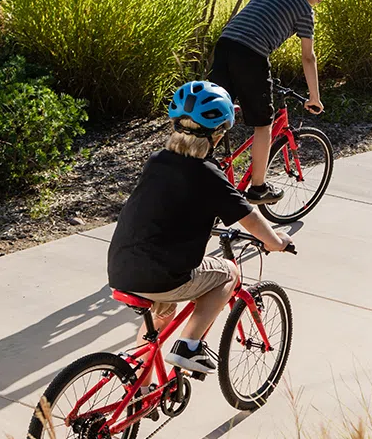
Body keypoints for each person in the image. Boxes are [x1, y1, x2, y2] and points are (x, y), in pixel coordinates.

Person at [107, 81, 293, 374]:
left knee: (162, 311)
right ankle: (189, 347)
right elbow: (250, 218)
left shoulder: (157, 161)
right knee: (228, 273)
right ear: (218, 134)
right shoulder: (209, 175)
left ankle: (136, 385)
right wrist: (275, 241)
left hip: (121, 268)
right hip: (163, 276)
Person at [210, 0, 341, 205]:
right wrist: (314, 96)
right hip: (251, 53)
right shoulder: (304, 9)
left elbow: (251, 24)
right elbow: (308, 57)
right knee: (263, 124)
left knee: (216, 112)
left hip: (224, 46)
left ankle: (195, 165)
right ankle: (258, 189)